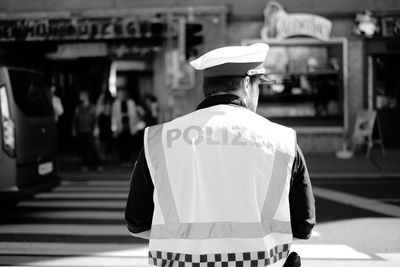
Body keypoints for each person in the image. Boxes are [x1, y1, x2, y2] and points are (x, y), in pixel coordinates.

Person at [125, 44, 315, 267]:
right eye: (258, 86)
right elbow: (304, 226)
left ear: (208, 86)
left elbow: (137, 224)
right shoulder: (283, 140)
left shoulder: (158, 139)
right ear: (247, 83)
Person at [73, 91, 103, 172]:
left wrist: (96, 128)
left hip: (90, 130)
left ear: (86, 97)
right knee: (83, 149)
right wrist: (74, 129)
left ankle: (98, 164)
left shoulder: (92, 107)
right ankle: (85, 164)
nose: (80, 97)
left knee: (94, 148)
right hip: (81, 130)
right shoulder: (78, 108)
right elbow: (75, 120)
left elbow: (96, 119)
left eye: (81, 96)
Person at [111, 89, 140, 165]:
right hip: (120, 127)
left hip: (129, 126)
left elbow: (135, 115)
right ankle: (122, 160)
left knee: (129, 144)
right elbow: (113, 117)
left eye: (122, 94)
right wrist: (114, 129)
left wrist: (136, 127)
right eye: (120, 94)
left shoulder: (131, 103)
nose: (121, 96)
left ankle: (128, 159)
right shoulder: (116, 104)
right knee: (121, 144)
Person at [95, 90, 113, 161]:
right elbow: (97, 114)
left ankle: (102, 155)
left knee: (104, 141)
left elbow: (108, 114)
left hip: (105, 124)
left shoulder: (108, 104)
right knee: (99, 141)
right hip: (100, 124)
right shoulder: (98, 104)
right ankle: (99, 155)